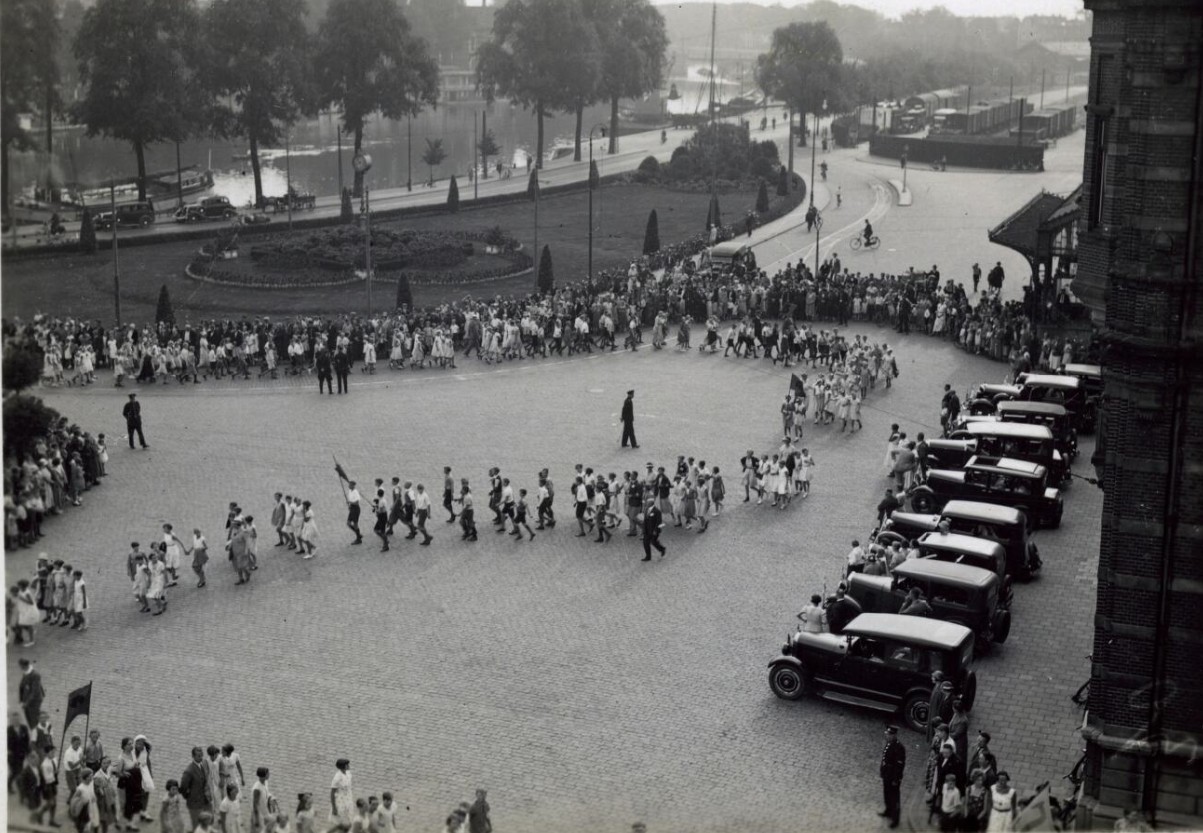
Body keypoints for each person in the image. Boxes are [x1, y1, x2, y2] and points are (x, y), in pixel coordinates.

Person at [879, 725, 906, 829]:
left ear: (895, 735)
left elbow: (899, 765)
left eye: (890, 734)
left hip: (893, 776)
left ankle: (895, 819)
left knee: (894, 797)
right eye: (887, 734)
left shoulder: (899, 748)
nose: (888, 736)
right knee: (886, 793)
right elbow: (884, 758)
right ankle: (888, 810)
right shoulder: (889, 743)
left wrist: (896, 779)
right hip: (887, 774)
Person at [180, 748, 212, 830]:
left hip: (204, 800)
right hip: (194, 804)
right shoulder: (189, 771)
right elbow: (183, 787)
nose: (201, 758)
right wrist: (189, 796)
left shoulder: (202, 765)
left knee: (206, 823)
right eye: (198, 756)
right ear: (193, 756)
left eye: (201, 755)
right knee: (197, 825)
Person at [18, 658, 45, 728]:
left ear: (25, 666)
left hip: (34, 701)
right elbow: (22, 687)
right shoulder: (26, 672)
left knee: (34, 719)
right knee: (29, 718)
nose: (20, 668)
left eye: (21, 666)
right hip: (27, 701)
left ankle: (37, 734)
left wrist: (25, 703)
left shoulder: (35, 675)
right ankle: (33, 730)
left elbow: (34, 692)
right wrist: (21, 701)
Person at [329, 760, 353, 828]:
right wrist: (334, 808)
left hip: (348, 799)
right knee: (340, 822)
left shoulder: (348, 773)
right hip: (340, 801)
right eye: (347, 765)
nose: (348, 766)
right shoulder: (337, 778)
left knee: (349, 819)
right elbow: (332, 793)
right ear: (343, 766)